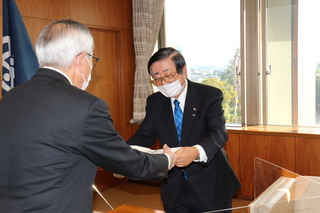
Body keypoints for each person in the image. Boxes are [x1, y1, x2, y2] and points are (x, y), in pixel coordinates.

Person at [0, 19, 176, 213]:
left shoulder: (10, 97)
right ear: (80, 60)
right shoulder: (86, 106)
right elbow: (127, 163)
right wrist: (167, 160)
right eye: (92, 59)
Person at [127, 47, 241, 213]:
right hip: (173, 186)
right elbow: (144, 136)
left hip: (210, 182)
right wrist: (122, 153)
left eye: (168, 75)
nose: (163, 83)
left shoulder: (209, 95)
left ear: (183, 70)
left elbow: (218, 133)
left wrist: (195, 151)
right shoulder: (155, 101)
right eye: (157, 79)